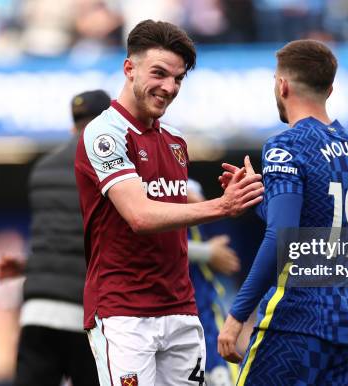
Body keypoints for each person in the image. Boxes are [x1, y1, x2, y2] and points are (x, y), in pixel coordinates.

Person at [73, 20, 264, 386]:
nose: (169, 88)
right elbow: (141, 216)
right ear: (129, 68)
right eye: (159, 73)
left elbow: (171, 207)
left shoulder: (175, 139)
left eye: (178, 79)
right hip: (124, 314)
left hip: (181, 310)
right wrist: (222, 207)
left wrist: (230, 192)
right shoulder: (104, 133)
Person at [217, 39, 348, 385]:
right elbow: (310, 223)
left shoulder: (286, 145)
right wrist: (260, 196)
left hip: (295, 324)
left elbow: (282, 237)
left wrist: (238, 314)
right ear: (330, 89)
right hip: (347, 330)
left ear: (282, 85)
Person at [0, 90, 111, 386]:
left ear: (73, 125)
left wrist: (27, 266)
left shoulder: (42, 169)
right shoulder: (111, 168)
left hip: (37, 310)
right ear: (108, 122)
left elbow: (58, 237)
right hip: (84, 315)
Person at [186, 179, 240, 386]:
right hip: (173, 315)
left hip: (202, 309)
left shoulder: (181, 184)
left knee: (220, 375)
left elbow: (194, 194)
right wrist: (208, 253)